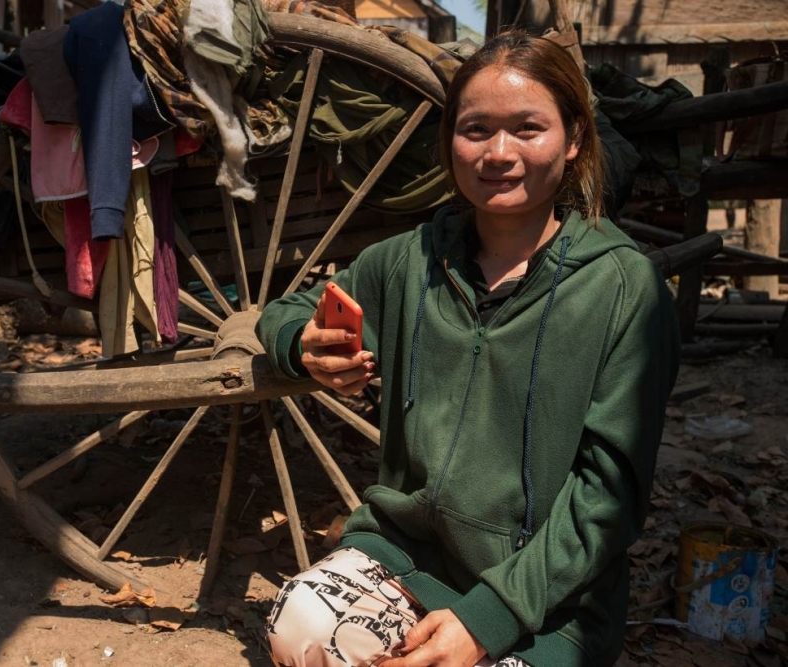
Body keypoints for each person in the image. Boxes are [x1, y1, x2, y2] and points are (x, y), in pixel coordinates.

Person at [256, 29, 680, 667]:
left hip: (551, 595)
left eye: (528, 129)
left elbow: (609, 498)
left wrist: (488, 619)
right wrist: (303, 346)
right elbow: (285, 313)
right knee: (300, 627)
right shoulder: (406, 261)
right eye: (476, 129)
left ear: (575, 141)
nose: (499, 154)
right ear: (449, 141)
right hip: (407, 551)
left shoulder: (624, 289)